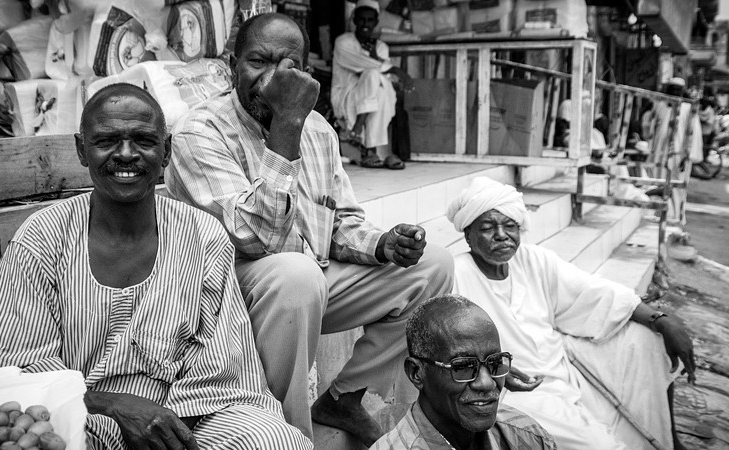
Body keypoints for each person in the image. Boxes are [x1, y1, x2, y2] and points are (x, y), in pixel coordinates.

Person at [0, 83, 312, 450]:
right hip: (82, 415)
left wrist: (167, 429)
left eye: (144, 140)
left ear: (166, 151)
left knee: (275, 441)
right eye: (107, 141)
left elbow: (221, 366)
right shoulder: (44, 236)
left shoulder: (202, 234)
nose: (126, 154)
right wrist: (113, 406)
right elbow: (6, 365)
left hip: (188, 416)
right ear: (82, 150)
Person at [165, 12, 454, 445]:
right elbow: (255, 240)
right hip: (224, 295)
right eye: (258, 61)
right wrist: (287, 124)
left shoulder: (319, 130)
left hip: (305, 283)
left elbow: (338, 221)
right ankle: (286, 434)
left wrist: (382, 244)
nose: (274, 78)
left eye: (289, 66)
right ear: (231, 66)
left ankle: (345, 398)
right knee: (296, 275)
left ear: (305, 72)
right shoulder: (200, 131)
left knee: (433, 265)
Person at [445, 176, 696, 450]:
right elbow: (449, 347)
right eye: (487, 228)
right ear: (467, 235)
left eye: (510, 226)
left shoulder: (534, 260)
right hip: (517, 390)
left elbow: (594, 292)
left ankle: (669, 440)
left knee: (648, 342)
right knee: (598, 445)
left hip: (563, 365)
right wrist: (493, 371)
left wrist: (661, 320)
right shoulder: (457, 275)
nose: (501, 235)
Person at [371, 294, 557, 450]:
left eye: (495, 362)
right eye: (463, 366)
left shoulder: (528, 437)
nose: (487, 383)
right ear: (417, 373)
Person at [331, 0, 412, 169]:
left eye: (370, 20)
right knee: (373, 74)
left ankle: (371, 149)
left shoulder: (381, 47)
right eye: (361, 19)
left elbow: (386, 75)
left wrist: (375, 56)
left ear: (376, 22)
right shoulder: (343, 42)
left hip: (370, 99)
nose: (365, 24)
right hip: (347, 96)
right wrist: (396, 70)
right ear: (355, 20)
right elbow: (367, 65)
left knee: (381, 87)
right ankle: (376, 147)